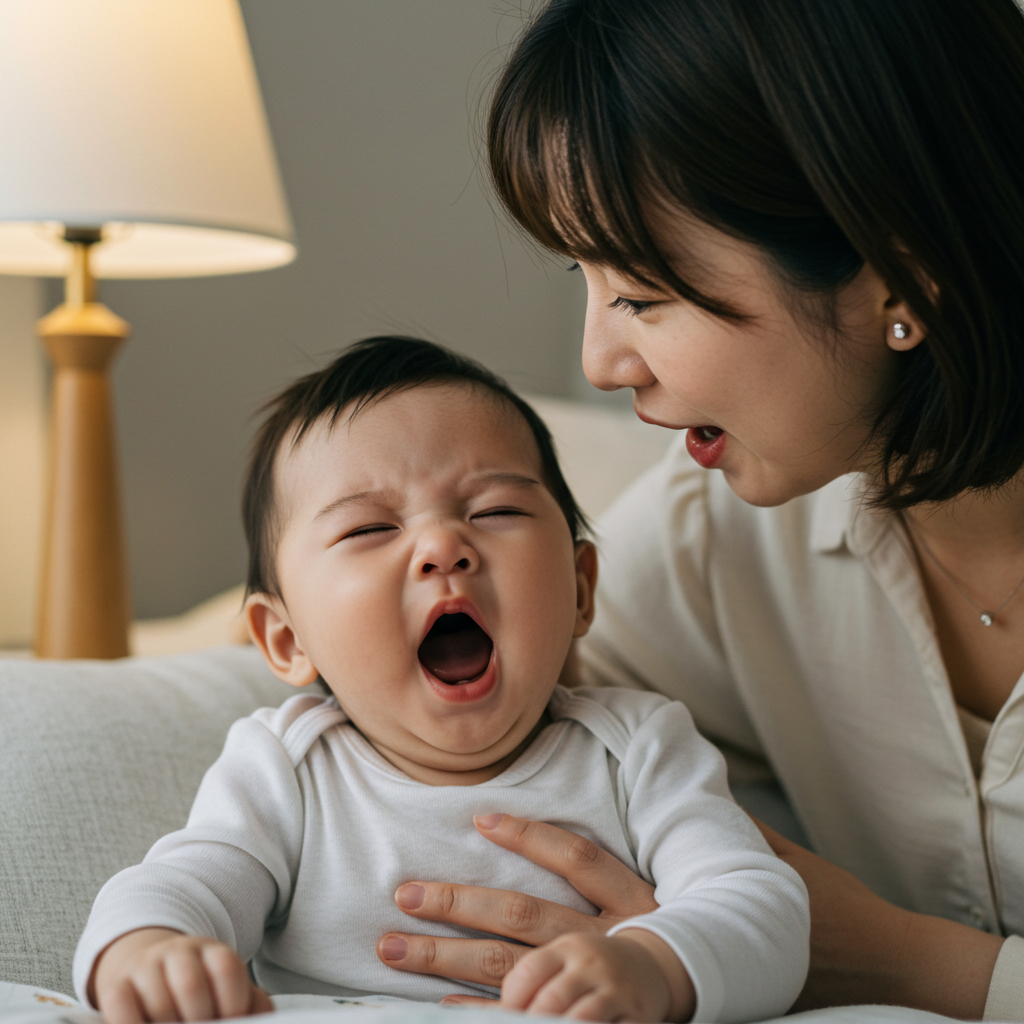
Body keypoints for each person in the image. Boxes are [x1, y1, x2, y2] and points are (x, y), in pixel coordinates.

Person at [360, 1, 1024, 1021]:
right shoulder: (719, 529)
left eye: (642, 293)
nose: (597, 361)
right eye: (582, 277)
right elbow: (524, 727)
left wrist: (911, 964)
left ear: (896, 273)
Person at [73, 337, 810, 1024]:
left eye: (495, 510)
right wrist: (145, 948)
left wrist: (654, 963)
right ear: (288, 639)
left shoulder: (639, 748)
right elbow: (187, 882)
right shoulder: (287, 769)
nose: (442, 547)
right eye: (368, 529)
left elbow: (761, 908)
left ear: (582, 590)